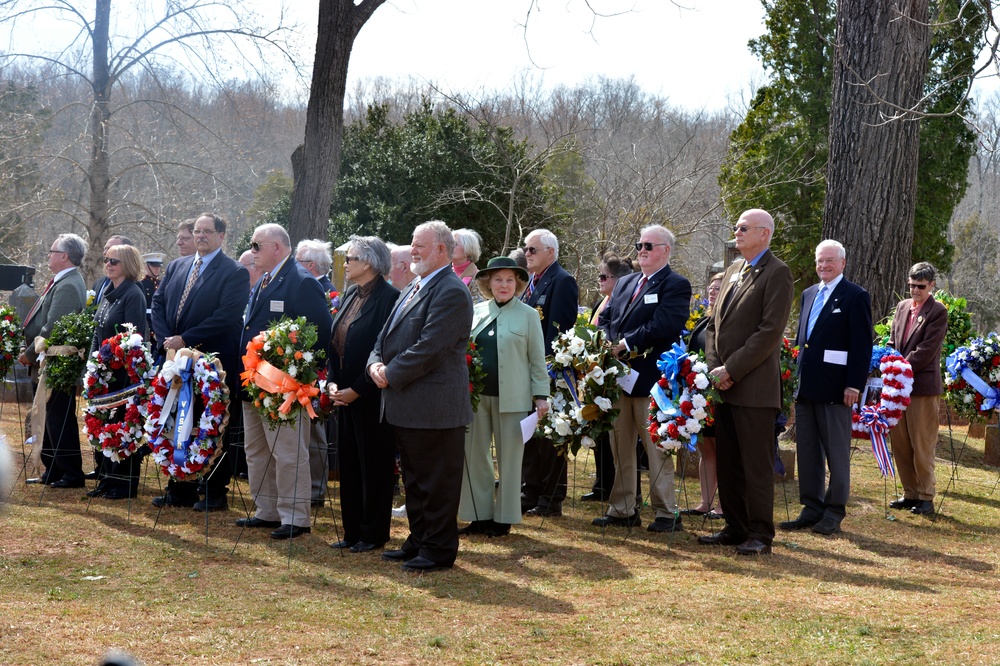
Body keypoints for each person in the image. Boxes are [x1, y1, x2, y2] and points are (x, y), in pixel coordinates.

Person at [368, 220, 474, 572]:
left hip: (435, 408)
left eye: (420, 245)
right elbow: (383, 339)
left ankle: (439, 549)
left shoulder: (451, 291)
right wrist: (375, 365)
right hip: (406, 405)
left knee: (436, 482)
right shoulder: (414, 286)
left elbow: (431, 348)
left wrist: (390, 374)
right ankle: (419, 540)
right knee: (414, 481)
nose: (412, 250)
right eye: (412, 244)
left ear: (442, 249)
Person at [699, 209, 793, 555]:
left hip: (753, 387)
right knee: (729, 461)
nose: (736, 232)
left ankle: (759, 533)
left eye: (743, 228)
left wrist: (732, 369)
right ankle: (735, 526)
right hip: (723, 385)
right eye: (736, 227)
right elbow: (713, 324)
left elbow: (769, 332)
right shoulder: (735, 270)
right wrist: (715, 367)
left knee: (755, 464)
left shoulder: (777, 273)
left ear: (764, 233)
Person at [237, 223, 332, 539]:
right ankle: (267, 511)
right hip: (255, 384)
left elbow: (320, 336)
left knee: (289, 453)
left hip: (283, 389)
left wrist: (297, 379)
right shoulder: (264, 280)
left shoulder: (301, 282)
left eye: (256, 245)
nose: (252, 252)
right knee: (257, 450)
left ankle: (295, 517)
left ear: (276, 246)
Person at [150, 213, 249, 512]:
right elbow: (158, 303)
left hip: (212, 361)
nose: (201, 236)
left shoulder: (234, 272)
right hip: (175, 360)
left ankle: (214, 491)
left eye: (207, 231)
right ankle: (179, 488)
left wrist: (186, 339)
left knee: (212, 422)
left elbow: (226, 316)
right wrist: (168, 339)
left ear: (221, 235)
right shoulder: (178, 266)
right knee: (177, 421)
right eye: (197, 231)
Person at [595, 226, 691, 532]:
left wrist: (626, 343)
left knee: (655, 447)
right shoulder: (625, 283)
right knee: (620, 444)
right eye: (639, 245)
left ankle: (666, 513)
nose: (642, 250)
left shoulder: (675, 284)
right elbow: (607, 317)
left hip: (652, 378)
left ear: (665, 250)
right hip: (619, 376)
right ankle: (623, 509)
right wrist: (609, 342)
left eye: (649, 245)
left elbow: (665, 324)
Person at [780, 240, 872, 534]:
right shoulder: (809, 294)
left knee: (836, 452)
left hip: (837, 390)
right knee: (807, 451)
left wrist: (854, 386)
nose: (824, 266)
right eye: (820, 261)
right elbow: (801, 341)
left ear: (843, 263)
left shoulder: (855, 296)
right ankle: (811, 506)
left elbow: (861, 346)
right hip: (806, 388)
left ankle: (834, 510)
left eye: (830, 261)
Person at [459, 257, 549, 537]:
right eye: (498, 279)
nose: (504, 285)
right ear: (488, 283)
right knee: (474, 456)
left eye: (510, 280)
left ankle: (504, 518)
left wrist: (541, 395)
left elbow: (537, 360)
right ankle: (478, 515)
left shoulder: (529, 315)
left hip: (514, 398)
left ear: (518, 284)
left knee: (510, 459)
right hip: (476, 397)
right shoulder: (475, 312)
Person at [327, 236, 399, 552]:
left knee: (374, 465)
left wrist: (357, 389)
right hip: (343, 393)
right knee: (350, 463)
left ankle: (373, 534)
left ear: (368, 263)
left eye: (351, 258)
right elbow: (336, 343)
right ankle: (352, 530)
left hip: (371, 395)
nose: (346, 263)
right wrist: (331, 383)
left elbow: (385, 350)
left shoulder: (389, 298)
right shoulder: (350, 294)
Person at [21, 233, 88, 488]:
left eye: (52, 251)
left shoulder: (69, 284)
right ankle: (54, 470)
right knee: (50, 418)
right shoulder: (62, 280)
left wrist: (28, 355)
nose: (48, 255)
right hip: (48, 362)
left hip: (57, 363)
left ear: (64, 256)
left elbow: (52, 330)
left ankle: (71, 473)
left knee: (59, 419)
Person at [519, 228, 579, 517]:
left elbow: (559, 331)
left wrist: (541, 369)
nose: (526, 254)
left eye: (532, 250)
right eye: (526, 249)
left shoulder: (562, 281)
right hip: (527, 371)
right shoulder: (532, 281)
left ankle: (551, 497)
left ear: (550, 252)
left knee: (551, 436)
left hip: (550, 373)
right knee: (529, 434)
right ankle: (529, 492)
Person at [87, 245, 149, 500]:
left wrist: (110, 362)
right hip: (105, 373)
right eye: (106, 260)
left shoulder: (133, 295)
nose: (108, 264)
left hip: (123, 375)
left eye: (115, 261)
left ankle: (124, 484)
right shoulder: (109, 293)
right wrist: (93, 364)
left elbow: (133, 339)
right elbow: (97, 332)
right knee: (108, 426)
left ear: (129, 265)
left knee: (124, 427)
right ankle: (108, 478)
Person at [887, 262, 948, 516]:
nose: (915, 290)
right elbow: (892, 340)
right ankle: (910, 492)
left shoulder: (937, 311)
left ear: (931, 285)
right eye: (911, 285)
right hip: (898, 390)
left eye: (920, 286)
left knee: (922, 443)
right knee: (900, 442)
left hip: (922, 389)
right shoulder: (902, 308)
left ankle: (926, 497)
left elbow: (925, 352)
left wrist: (898, 365)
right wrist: (886, 359)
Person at [582, 253, 634, 503]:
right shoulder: (601, 303)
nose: (599, 281)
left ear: (620, 279)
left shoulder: (624, 303)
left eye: (605, 276)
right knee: (599, 428)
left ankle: (614, 485)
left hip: (618, 375)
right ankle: (602, 483)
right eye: (599, 276)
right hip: (597, 374)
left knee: (615, 433)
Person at [295, 239, 336, 506]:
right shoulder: (308, 285)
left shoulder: (326, 292)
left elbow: (325, 333)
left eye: (297, 261)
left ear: (310, 265)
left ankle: (315, 490)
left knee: (314, 432)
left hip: (316, 372)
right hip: (303, 370)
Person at [682, 272, 725, 518]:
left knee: (723, 449)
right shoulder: (702, 321)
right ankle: (705, 502)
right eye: (710, 288)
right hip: (700, 397)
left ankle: (723, 504)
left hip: (721, 395)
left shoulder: (728, 322)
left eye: (717, 288)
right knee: (706, 448)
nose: (711, 292)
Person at [92, 235, 135, 306]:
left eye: (110, 249)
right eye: (105, 248)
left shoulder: (134, 288)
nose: (105, 252)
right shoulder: (99, 282)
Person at [452, 228, 484, 302]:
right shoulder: (445, 273)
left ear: (468, 249)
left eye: (455, 244)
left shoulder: (478, 278)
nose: (449, 247)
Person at [139, 252, 164, 342]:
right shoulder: (141, 284)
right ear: (147, 266)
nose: (157, 269)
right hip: (146, 322)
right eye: (154, 266)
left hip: (160, 323)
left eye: (158, 266)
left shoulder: (162, 284)